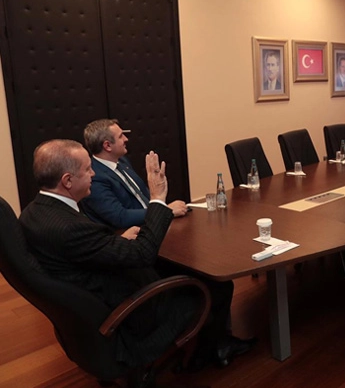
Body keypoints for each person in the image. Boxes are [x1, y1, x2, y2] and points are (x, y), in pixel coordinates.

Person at [19, 140, 254, 370]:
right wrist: (158, 198)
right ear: (67, 181)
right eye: (87, 169)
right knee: (216, 286)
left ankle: (211, 345)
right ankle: (212, 351)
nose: (93, 174)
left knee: (180, 269)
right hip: (131, 313)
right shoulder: (70, 228)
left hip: (92, 301)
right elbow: (143, 254)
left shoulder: (33, 213)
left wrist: (114, 242)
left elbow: (78, 253)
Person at [81, 119, 187, 229]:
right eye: (121, 136)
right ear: (107, 146)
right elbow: (120, 217)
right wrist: (164, 211)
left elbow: (142, 196)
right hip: (129, 233)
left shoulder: (122, 161)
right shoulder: (94, 177)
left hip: (152, 225)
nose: (126, 139)